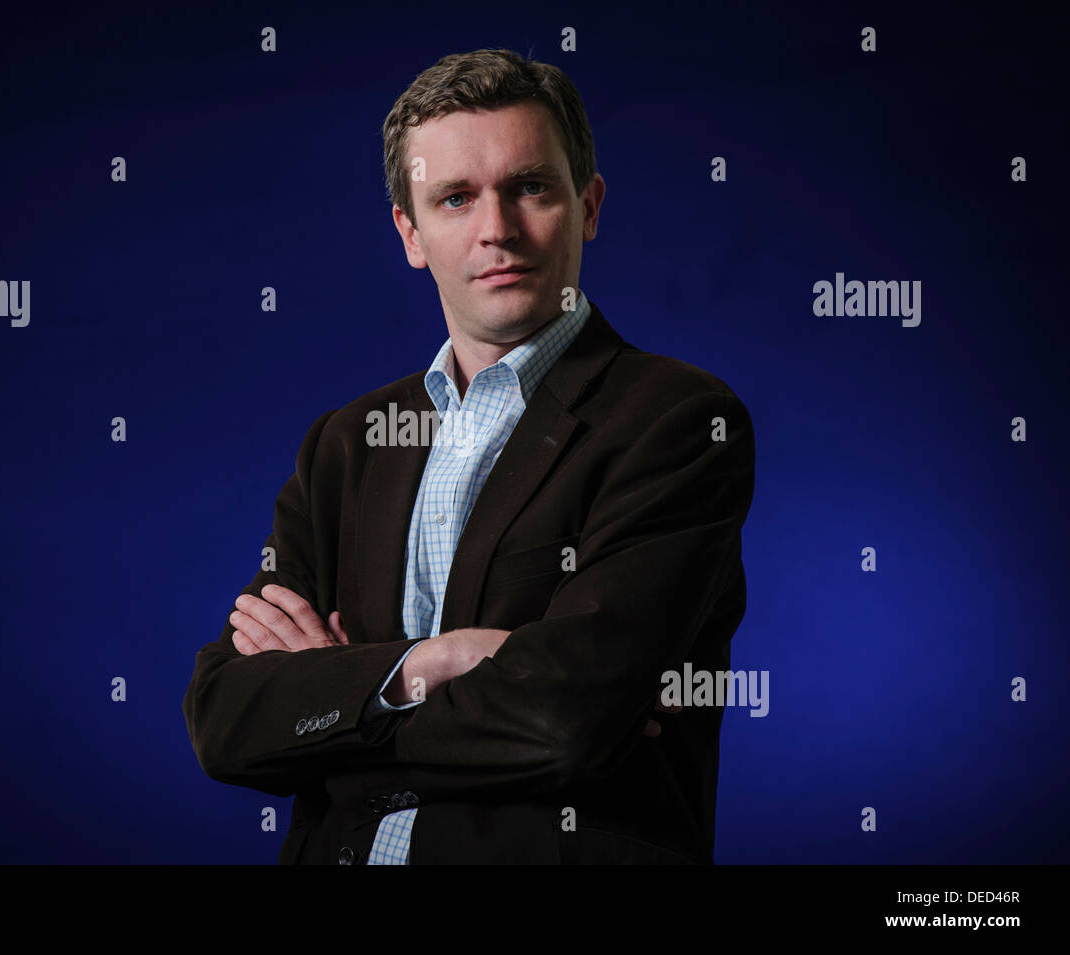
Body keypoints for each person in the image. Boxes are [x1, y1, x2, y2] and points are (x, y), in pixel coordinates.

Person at [182, 47, 755, 864]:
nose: (497, 229)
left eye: (530, 187)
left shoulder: (676, 421)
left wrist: (344, 693)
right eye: (456, 198)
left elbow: (568, 721)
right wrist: (434, 661)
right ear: (410, 234)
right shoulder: (347, 442)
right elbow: (225, 719)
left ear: (588, 205)